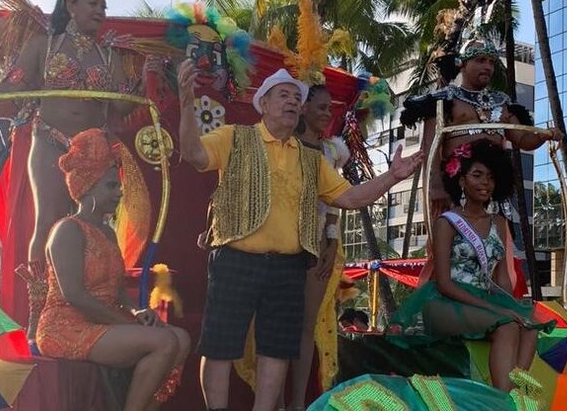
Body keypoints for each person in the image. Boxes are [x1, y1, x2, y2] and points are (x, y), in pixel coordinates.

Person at [177, 63, 423, 411]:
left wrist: (392, 177)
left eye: (297, 97)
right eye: (283, 95)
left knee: (276, 350)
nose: (292, 102)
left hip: (289, 267)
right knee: (219, 347)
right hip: (234, 259)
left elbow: (351, 198)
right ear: (263, 104)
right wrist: (186, 104)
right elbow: (194, 154)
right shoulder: (235, 137)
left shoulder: (311, 160)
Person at [0, 0, 146, 340]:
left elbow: (120, 109)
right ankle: (41, 316)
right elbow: (11, 90)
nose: (101, 10)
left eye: (104, 3)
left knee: (95, 225)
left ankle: (91, 308)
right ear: (70, 3)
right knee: (49, 222)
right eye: (93, 2)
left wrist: (143, 78)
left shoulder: (111, 55)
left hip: (93, 150)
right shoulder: (43, 46)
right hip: (50, 144)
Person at [36, 128, 190, 410]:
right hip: (67, 326)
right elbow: (75, 296)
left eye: (117, 185)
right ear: (88, 188)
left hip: (105, 320)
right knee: (164, 342)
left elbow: (118, 289)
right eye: (111, 186)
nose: (120, 192)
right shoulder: (67, 230)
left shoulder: (106, 232)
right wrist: (126, 323)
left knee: (181, 339)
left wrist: (136, 312)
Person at [390, 140, 554, 391]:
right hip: (444, 303)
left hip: (483, 303)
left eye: (490, 177)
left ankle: (513, 395)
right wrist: (497, 310)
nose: (485, 183)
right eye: (477, 175)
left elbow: (501, 280)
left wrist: (511, 306)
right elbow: (443, 283)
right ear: (461, 180)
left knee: (529, 326)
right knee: (507, 324)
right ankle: (503, 401)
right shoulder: (447, 222)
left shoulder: (499, 223)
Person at [400, 36, 561, 285]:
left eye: (491, 62)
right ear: (463, 64)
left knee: (499, 252)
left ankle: (500, 310)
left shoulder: (503, 102)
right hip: (454, 190)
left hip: (493, 191)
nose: (487, 67)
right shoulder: (443, 100)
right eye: (480, 60)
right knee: (449, 253)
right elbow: (430, 147)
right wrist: (435, 187)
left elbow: (522, 139)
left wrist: (546, 136)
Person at [282, 84, 349, 410]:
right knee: (276, 325)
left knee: (306, 326)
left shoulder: (330, 153)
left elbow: (333, 203)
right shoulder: (284, 145)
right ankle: (274, 400)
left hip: (317, 244)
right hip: (281, 242)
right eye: (320, 107)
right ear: (303, 108)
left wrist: (332, 243)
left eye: (329, 108)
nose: (326, 114)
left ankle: (296, 403)